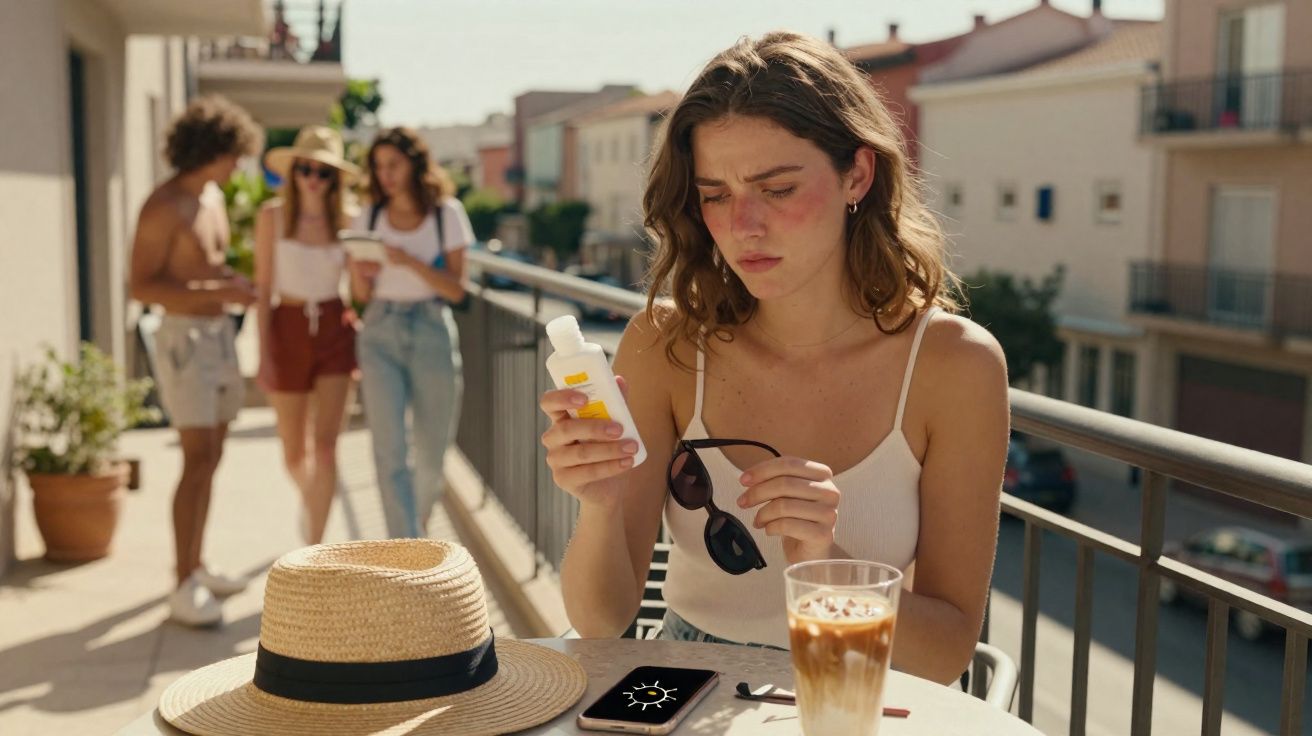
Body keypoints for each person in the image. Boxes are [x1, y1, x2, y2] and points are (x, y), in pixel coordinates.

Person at [538, 32, 1010, 684]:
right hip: (687, 695)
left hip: (857, 698)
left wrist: (826, 563)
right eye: (715, 194)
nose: (744, 224)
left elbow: (947, 653)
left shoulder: (956, 367)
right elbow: (601, 622)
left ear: (858, 176)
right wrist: (599, 503)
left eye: (778, 188)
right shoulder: (665, 346)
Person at [129, 96, 262, 627]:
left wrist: (229, 286)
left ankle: (197, 564)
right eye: (233, 156)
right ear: (211, 150)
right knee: (194, 458)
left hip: (217, 334)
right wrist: (220, 291)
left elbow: (202, 269)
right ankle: (181, 583)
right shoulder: (163, 205)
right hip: (184, 338)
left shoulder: (210, 197)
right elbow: (141, 285)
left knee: (212, 453)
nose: (237, 167)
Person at [348, 128, 472, 539]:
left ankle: (414, 526)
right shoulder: (367, 217)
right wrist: (361, 275)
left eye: (393, 164)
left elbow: (457, 289)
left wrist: (407, 262)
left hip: (431, 327)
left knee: (433, 450)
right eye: (379, 166)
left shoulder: (446, 214)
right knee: (389, 449)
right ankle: (406, 545)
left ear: (415, 164)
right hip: (380, 329)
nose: (385, 174)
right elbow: (361, 296)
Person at [254, 125, 361, 545]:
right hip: (287, 326)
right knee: (294, 453)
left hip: (336, 327)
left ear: (335, 179)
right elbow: (263, 289)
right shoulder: (272, 216)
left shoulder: (348, 221)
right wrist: (263, 355)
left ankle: (315, 547)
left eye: (324, 172)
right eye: (306, 169)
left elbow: (359, 288)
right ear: (293, 171)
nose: (314, 179)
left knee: (328, 446)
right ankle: (313, 502)